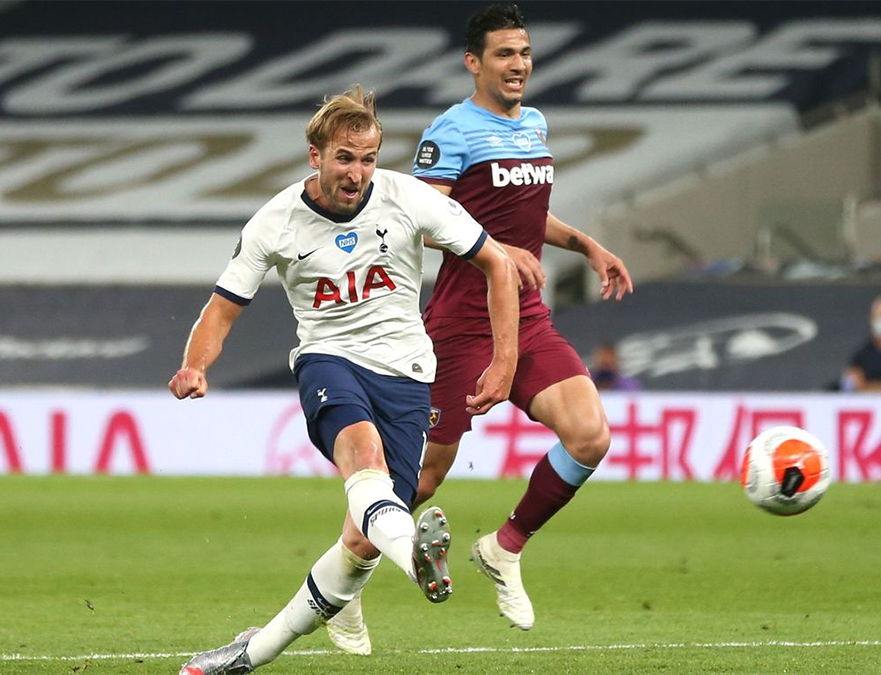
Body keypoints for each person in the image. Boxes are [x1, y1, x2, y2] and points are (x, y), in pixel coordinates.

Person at [171, 85, 519, 675]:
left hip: (408, 373)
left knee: (359, 546)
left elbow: (498, 263)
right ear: (316, 156)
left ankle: (248, 654)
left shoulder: (408, 198)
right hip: (328, 359)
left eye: (367, 159)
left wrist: (505, 361)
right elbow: (222, 308)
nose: (357, 172)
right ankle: (417, 560)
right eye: (344, 158)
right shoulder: (276, 222)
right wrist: (195, 364)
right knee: (363, 455)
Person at [325, 3, 633, 651]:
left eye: (524, 52)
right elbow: (422, 216)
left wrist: (586, 245)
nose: (518, 64)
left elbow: (529, 216)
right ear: (475, 63)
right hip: (460, 328)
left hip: (525, 318)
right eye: (504, 54)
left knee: (589, 435)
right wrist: (494, 248)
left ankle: (504, 547)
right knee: (419, 480)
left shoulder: (535, 124)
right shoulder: (452, 130)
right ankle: (342, 588)